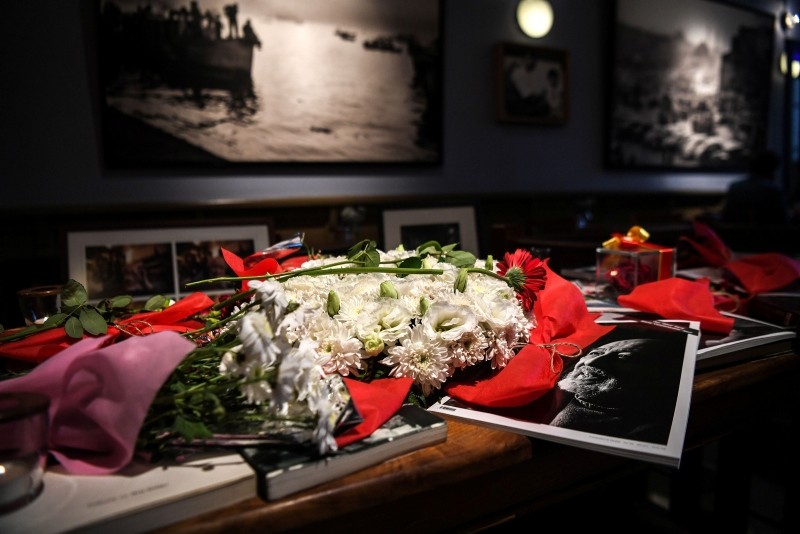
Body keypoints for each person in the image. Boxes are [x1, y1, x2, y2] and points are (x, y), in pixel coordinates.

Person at [542, 334, 685, 444]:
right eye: (596, 353)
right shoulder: (556, 390)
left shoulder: (645, 430)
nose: (593, 361)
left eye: (623, 358)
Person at [721, 150, 790, 225]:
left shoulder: (735, 187)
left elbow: (726, 217)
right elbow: (783, 221)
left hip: (737, 235)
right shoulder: (774, 191)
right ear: (770, 169)